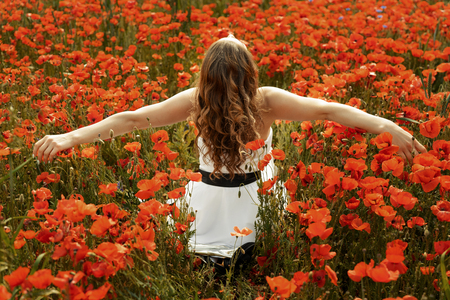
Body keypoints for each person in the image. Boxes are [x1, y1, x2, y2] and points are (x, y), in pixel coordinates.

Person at [33, 34, 426, 260]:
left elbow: (132, 118)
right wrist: (385, 125)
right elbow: (327, 111)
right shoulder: (267, 100)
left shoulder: (195, 98)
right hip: (256, 199)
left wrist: (70, 137)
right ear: (250, 71)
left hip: (209, 199)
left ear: (205, 74)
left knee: (204, 257)